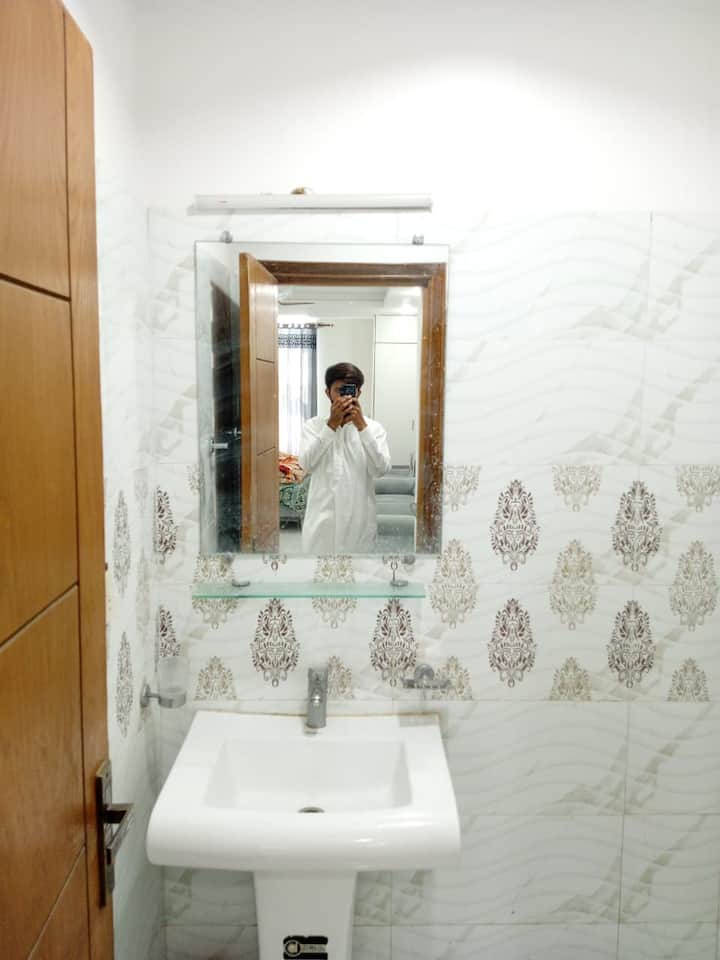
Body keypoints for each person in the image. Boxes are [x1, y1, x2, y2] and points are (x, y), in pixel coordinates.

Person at [299, 362, 391, 554]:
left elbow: (381, 469)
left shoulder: (374, 429)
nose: (344, 397)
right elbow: (306, 464)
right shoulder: (313, 427)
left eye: (350, 390)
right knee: (318, 571)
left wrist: (362, 427)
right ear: (327, 393)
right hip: (322, 525)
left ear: (359, 393)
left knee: (358, 571)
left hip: (359, 523)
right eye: (338, 390)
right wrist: (331, 426)